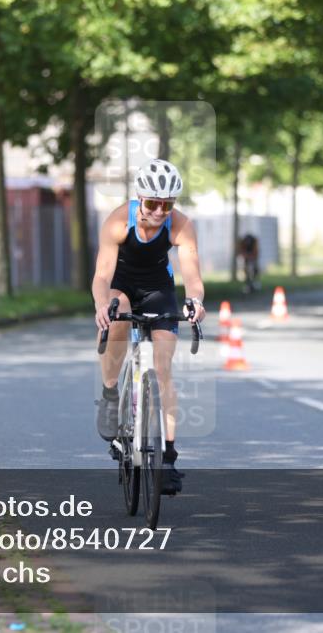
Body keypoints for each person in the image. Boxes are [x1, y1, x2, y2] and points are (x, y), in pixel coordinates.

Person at [91, 159, 206, 495]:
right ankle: (110, 392)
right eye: (153, 203)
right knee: (118, 314)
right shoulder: (118, 221)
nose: (159, 212)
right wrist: (102, 305)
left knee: (163, 368)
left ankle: (168, 457)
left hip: (158, 289)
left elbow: (193, 276)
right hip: (122, 285)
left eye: (166, 205)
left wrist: (195, 302)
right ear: (140, 197)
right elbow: (102, 275)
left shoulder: (180, 224)